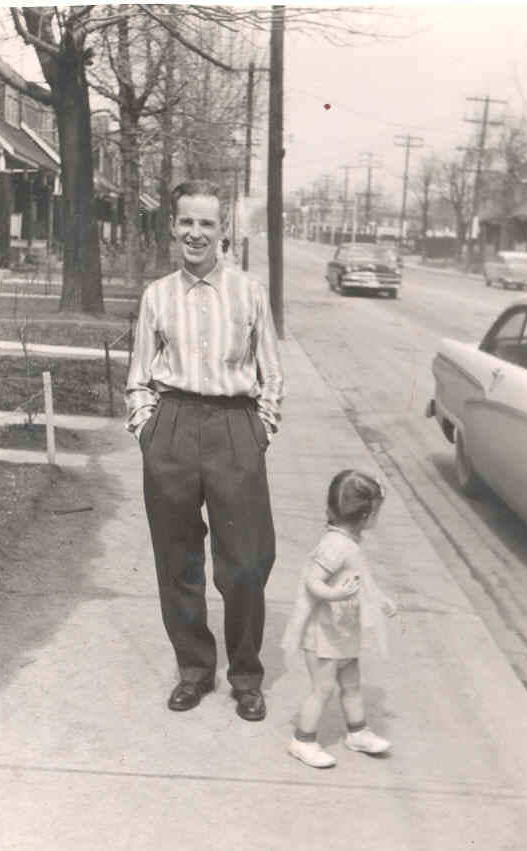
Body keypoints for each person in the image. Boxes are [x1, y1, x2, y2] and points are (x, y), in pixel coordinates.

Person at [125, 179, 284, 722]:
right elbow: (138, 376)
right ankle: (194, 670)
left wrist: (259, 429)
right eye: (187, 222)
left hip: (236, 427)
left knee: (246, 562)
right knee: (177, 558)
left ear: (223, 231)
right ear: (173, 225)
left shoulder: (249, 292)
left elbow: (273, 374)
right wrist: (148, 428)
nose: (196, 233)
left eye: (207, 223)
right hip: (171, 426)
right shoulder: (156, 296)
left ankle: (246, 675)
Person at [282, 469, 396, 768]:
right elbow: (312, 581)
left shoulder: (348, 541)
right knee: (323, 689)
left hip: (342, 632)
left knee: (352, 684)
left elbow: (362, 579)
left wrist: (380, 600)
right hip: (323, 636)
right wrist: (335, 595)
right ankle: (302, 740)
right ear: (366, 515)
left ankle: (357, 732)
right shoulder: (335, 546)